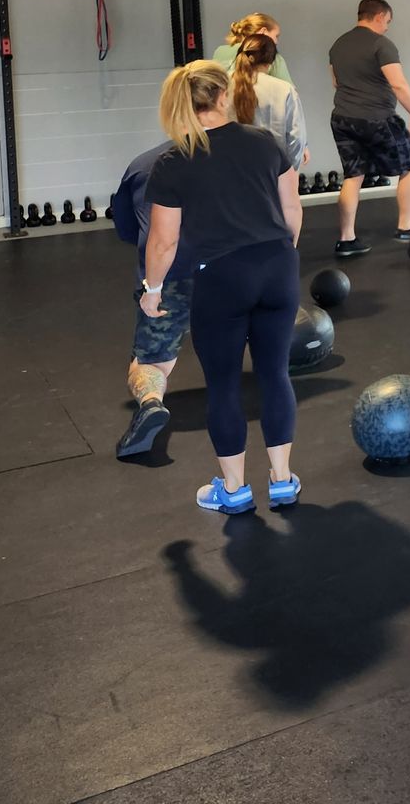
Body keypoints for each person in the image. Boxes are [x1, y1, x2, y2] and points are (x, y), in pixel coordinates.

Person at [140, 61, 304, 514]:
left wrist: (151, 289)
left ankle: (233, 491)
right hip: (277, 266)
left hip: (222, 277)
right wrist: (282, 259)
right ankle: (283, 481)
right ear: (224, 96)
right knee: (274, 375)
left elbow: (163, 240)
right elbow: (292, 211)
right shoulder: (266, 142)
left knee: (225, 384)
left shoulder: (174, 160)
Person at [110, 141, 196, 459]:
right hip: (227, 273)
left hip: (171, 278)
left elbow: (131, 231)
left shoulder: (144, 164)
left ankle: (150, 402)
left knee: (151, 362)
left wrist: (152, 287)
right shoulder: (237, 154)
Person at [326, 0, 410, 258]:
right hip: (377, 118)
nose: (388, 27)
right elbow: (398, 84)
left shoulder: (339, 44)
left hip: (343, 118)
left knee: (353, 175)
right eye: (388, 21)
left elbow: (336, 82)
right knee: (409, 167)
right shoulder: (382, 44)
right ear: (379, 16)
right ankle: (406, 227)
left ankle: (347, 239)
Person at [229, 34, 309, 175]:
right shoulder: (284, 89)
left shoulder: (222, 86)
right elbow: (296, 138)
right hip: (272, 173)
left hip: (231, 172)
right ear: (271, 61)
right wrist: (290, 173)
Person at [212, 12, 292, 85]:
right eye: (276, 36)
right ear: (263, 32)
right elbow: (289, 93)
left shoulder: (219, 51)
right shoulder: (271, 56)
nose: (276, 41)